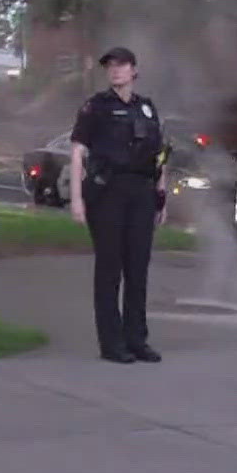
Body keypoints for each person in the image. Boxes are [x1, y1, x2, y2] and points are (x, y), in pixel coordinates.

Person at [69, 47, 169, 364]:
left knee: (137, 269)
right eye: (110, 66)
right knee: (110, 269)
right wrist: (76, 199)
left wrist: (161, 196)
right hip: (108, 192)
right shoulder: (96, 107)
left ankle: (137, 339)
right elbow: (77, 153)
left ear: (134, 70)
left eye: (121, 65)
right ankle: (112, 343)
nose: (115, 71)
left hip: (141, 192)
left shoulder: (147, 108)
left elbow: (160, 155)